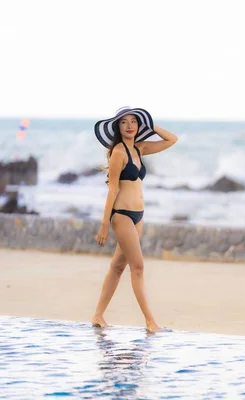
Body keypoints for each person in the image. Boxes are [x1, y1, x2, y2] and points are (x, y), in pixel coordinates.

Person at [91, 107, 178, 332]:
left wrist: (150, 125)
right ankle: (150, 322)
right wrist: (104, 224)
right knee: (137, 267)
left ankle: (98, 315)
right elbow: (113, 190)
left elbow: (172, 139)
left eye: (134, 122)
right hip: (121, 216)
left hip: (138, 216)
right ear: (117, 127)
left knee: (117, 266)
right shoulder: (119, 152)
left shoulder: (139, 149)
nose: (129, 126)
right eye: (124, 122)